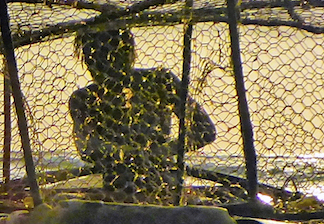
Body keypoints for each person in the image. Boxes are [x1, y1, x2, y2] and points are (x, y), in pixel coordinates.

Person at [68, 27, 216, 201]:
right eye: (92, 59)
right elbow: (87, 149)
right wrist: (125, 155)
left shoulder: (160, 81)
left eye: (109, 58)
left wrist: (159, 151)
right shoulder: (84, 99)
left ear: (127, 54)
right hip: (116, 190)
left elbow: (206, 131)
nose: (99, 67)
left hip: (163, 186)